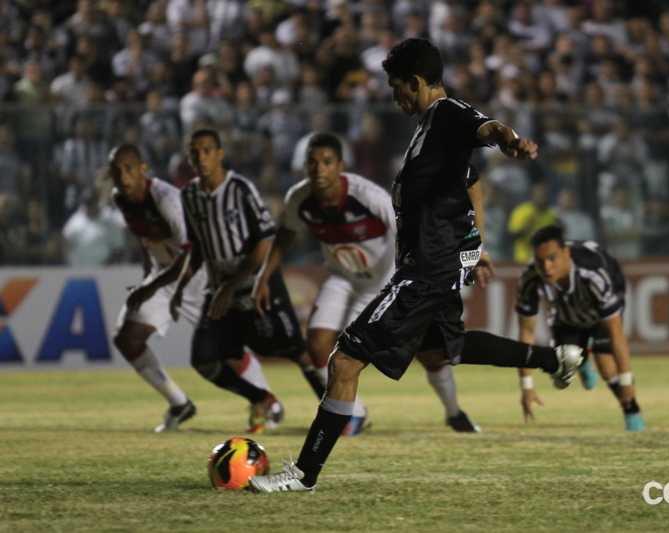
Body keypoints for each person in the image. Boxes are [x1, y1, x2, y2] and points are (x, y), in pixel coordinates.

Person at [249, 38, 582, 493]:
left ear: (417, 82)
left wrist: (509, 141)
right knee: (447, 351)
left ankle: (304, 474)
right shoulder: (429, 130)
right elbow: (469, 181)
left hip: (424, 271)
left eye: (396, 87)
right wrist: (478, 244)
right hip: (434, 267)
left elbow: (486, 127)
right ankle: (555, 358)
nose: (394, 97)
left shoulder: (447, 114)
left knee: (344, 361)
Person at [255, 132, 482, 436]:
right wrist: (264, 275)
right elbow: (285, 235)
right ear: (304, 167)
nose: (319, 169)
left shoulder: (365, 195)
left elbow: (407, 225)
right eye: (312, 163)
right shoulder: (299, 197)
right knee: (319, 344)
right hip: (342, 278)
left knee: (430, 352)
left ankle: (454, 412)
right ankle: (356, 413)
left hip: (387, 280)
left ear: (341, 166)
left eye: (326, 162)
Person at [165, 128, 326, 433]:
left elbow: (265, 242)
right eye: (194, 152)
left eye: (206, 150)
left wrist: (231, 284)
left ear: (219, 154)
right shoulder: (189, 195)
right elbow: (197, 247)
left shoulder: (240, 188)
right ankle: (261, 398)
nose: (200, 157)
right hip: (221, 290)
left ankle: (333, 408)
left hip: (257, 283)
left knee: (294, 349)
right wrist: (180, 288)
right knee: (204, 359)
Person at [108, 143, 272, 432]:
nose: (123, 176)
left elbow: (190, 251)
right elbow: (144, 234)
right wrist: (149, 269)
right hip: (164, 276)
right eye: (116, 170)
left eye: (129, 168)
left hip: (198, 276)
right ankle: (179, 403)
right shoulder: (120, 198)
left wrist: (151, 286)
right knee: (126, 338)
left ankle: (267, 402)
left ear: (143, 169)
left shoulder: (166, 199)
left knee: (226, 351)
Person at [514, 224, 644, 431]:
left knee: (608, 368)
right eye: (540, 261)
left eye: (552, 258)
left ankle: (631, 409)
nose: (546, 267)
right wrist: (526, 386)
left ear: (566, 253)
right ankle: (584, 356)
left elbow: (616, 331)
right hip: (566, 308)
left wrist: (627, 381)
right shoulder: (530, 277)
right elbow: (526, 332)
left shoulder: (593, 274)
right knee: (561, 373)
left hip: (603, 298)